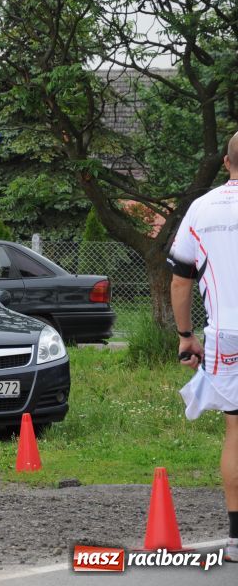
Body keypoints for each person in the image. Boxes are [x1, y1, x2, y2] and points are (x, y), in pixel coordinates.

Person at [170, 130, 238, 563]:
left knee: (236, 431)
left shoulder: (202, 207)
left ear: (228, 162)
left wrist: (184, 336)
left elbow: (180, 280)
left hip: (227, 334)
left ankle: (236, 539)